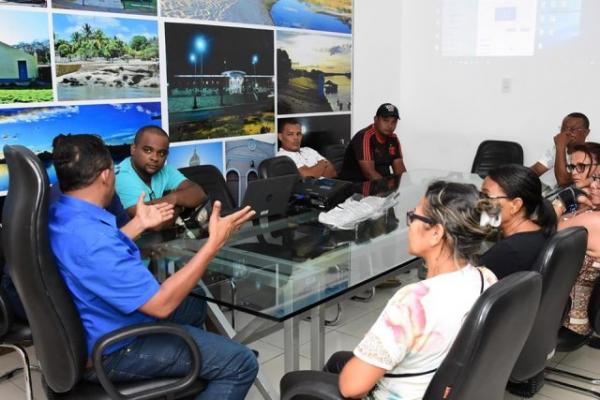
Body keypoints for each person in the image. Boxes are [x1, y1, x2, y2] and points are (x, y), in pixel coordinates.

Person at [49, 134, 258, 399]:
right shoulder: (94, 239)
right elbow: (161, 304)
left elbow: (91, 259)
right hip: (114, 349)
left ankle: (187, 375)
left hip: (96, 325)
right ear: (105, 176)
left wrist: (137, 225)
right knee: (240, 363)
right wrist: (213, 244)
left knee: (194, 304)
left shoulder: (63, 212)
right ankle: (202, 363)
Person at [320, 181, 499, 399]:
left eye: (414, 216)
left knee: (296, 382)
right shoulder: (487, 278)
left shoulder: (414, 302)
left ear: (435, 233)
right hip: (448, 389)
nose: (410, 223)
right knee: (338, 361)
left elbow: (353, 388)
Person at [552, 143, 600, 337]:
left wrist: (561, 200)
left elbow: (542, 234)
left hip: (568, 318)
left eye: (582, 167)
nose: (594, 184)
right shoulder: (590, 209)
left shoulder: (593, 220)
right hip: (568, 309)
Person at [115, 125, 207, 226]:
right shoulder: (121, 177)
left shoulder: (165, 170)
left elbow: (199, 194)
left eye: (161, 153)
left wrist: (173, 198)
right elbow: (153, 223)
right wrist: (180, 206)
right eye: (148, 150)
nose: (155, 158)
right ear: (133, 149)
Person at [479, 164, 556, 279]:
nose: (480, 201)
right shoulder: (542, 233)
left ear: (515, 205)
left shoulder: (507, 252)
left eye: (486, 196)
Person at [340, 103, 406, 182]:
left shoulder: (393, 138)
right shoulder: (365, 137)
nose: (389, 125)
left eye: (394, 122)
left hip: (379, 184)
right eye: (385, 120)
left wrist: (408, 187)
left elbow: (400, 171)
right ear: (376, 119)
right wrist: (388, 189)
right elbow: (369, 174)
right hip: (356, 185)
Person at [530, 112, 591, 188]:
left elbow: (564, 182)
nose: (567, 133)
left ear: (586, 132)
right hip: (550, 191)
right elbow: (536, 170)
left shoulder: (591, 154)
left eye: (573, 130)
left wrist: (560, 147)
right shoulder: (557, 148)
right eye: (564, 129)